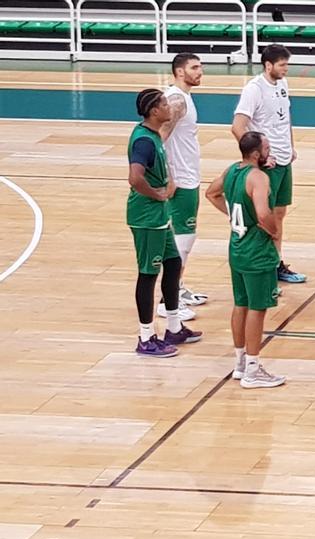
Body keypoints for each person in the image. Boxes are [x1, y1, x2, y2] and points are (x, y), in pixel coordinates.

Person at [205, 131, 287, 389]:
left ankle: (240, 363)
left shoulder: (232, 171)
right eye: (266, 148)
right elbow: (263, 214)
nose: (269, 152)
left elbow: (211, 193)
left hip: (236, 247)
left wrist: (233, 215)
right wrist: (273, 231)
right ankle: (253, 368)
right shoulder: (259, 178)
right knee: (257, 308)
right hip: (256, 251)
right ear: (256, 153)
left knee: (240, 304)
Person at [127, 88, 201, 358]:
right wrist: (157, 193)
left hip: (158, 215)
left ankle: (173, 327)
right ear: (154, 111)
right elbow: (135, 177)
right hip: (146, 216)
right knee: (148, 274)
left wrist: (168, 182)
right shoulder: (144, 141)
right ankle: (145, 337)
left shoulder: (154, 135)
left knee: (172, 264)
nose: (169, 107)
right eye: (164, 104)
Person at [232, 44, 305, 285]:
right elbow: (238, 127)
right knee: (266, 216)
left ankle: (275, 263)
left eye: (287, 64)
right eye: (282, 65)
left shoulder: (282, 84)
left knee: (280, 213)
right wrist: (259, 158)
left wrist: (290, 145)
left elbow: (286, 118)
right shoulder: (254, 89)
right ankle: (265, 264)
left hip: (284, 160)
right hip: (268, 165)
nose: (286, 69)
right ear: (268, 65)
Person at [158, 52, 207, 318]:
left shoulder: (183, 97)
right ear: (179, 71)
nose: (200, 72)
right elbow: (159, 137)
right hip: (181, 179)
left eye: (200, 67)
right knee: (182, 239)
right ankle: (168, 301)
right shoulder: (176, 100)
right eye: (194, 67)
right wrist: (168, 176)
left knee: (185, 236)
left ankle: (177, 287)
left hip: (189, 175)